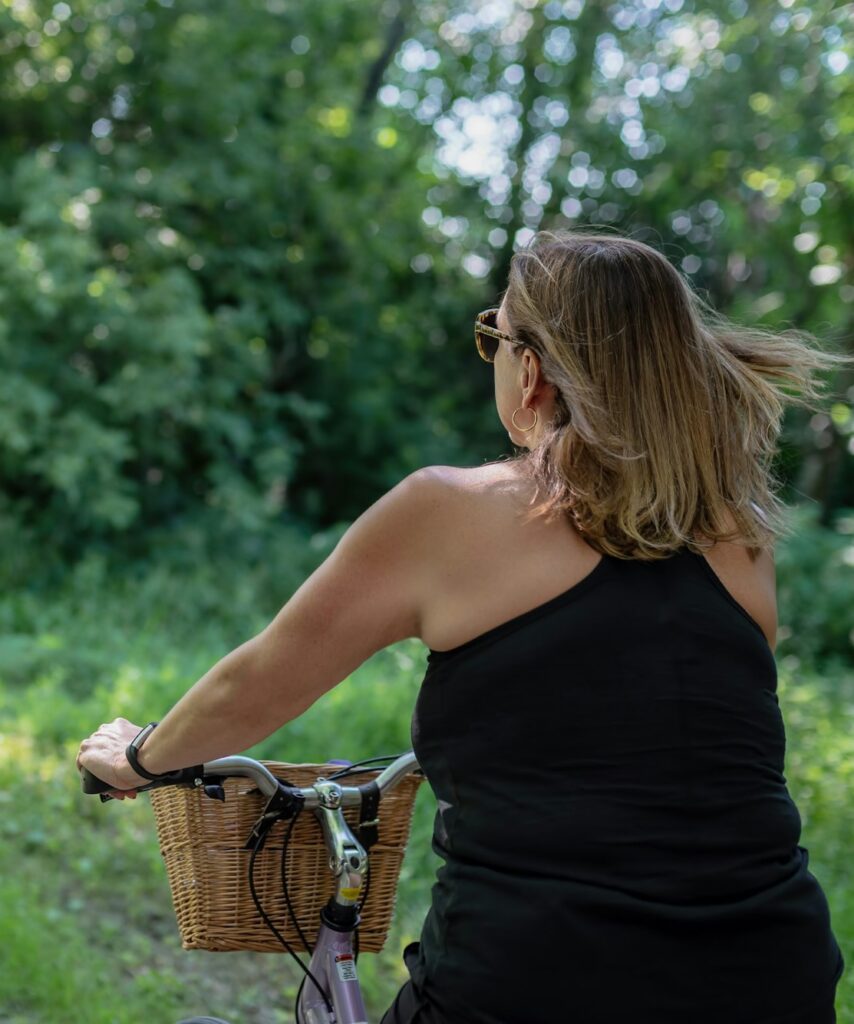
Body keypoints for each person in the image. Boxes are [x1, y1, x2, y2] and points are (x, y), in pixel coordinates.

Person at [77, 229, 849, 1023]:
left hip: (538, 979)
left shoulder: (450, 510)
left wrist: (139, 759)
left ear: (535, 371)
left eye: (496, 337)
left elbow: (260, 680)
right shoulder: (737, 536)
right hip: (774, 970)